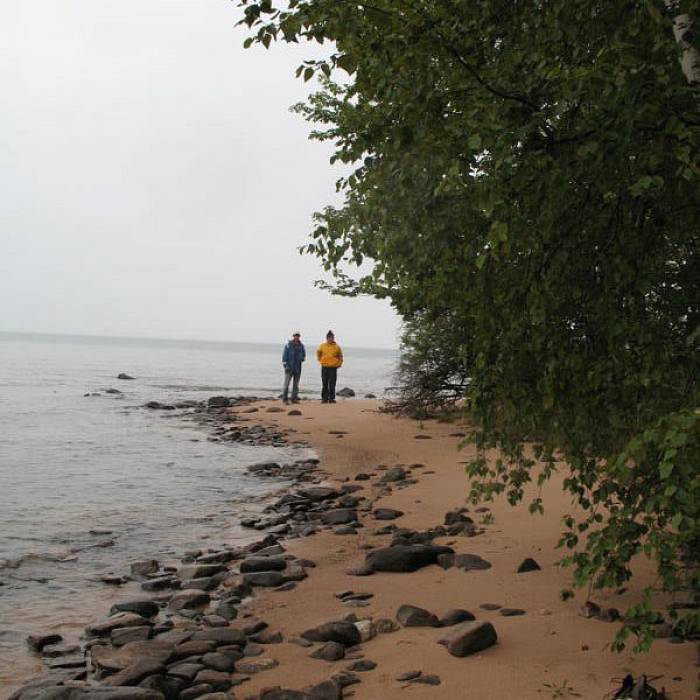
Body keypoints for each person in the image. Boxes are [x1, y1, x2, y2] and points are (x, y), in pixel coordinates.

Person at [316, 330, 343, 403]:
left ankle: (331, 398)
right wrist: (320, 360)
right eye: (329, 338)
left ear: (333, 338)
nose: (331, 339)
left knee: (332, 383)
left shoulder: (337, 347)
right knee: (324, 383)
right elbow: (318, 353)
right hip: (324, 367)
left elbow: (340, 356)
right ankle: (324, 398)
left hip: (333, 368)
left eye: (332, 337)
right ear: (327, 338)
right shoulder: (322, 346)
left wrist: (339, 364)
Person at [282, 332, 306, 404]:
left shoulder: (301, 346)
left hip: (297, 368)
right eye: (295, 336)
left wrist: (301, 358)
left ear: (299, 337)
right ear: (293, 336)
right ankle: (285, 399)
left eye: (298, 336)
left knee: (296, 385)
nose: (297, 337)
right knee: (286, 384)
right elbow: (284, 357)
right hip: (289, 368)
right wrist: (286, 365)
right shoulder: (288, 345)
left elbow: (304, 356)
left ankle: (294, 398)